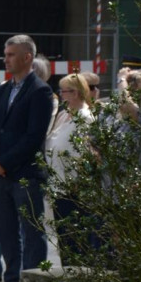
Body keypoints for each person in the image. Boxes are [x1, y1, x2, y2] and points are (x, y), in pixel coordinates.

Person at [0, 34, 54, 282]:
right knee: (5, 231)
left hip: (25, 176)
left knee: (32, 233)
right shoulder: (0, 91)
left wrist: (5, 162)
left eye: (11, 54)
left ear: (27, 57)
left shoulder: (40, 91)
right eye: (5, 53)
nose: (6, 59)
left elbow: (33, 137)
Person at [45, 73, 95, 265]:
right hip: (58, 184)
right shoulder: (64, 114)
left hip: (74, 188)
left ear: (76, 93)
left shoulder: (85, 117)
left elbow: (86, 153)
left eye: (64, 91)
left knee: (74, 239)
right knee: (64, 239)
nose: (62, 95)